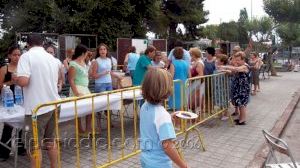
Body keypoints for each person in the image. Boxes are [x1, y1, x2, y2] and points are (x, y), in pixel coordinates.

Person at [16, 34, 62, 168]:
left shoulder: (26, 56)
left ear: (28, 44)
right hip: (53, 104)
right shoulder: (52, 58)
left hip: (37, 108)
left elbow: (24, 81)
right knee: (50, 140)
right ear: (42, 43)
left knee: (33, 146)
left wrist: (16, 79)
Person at [140, 68, 188, 168]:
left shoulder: (145, 106)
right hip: (160, 163)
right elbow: (168, 147)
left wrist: (169, 117)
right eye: (170, 85)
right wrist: (184, 166)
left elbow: (152, 124)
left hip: (146, 159)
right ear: (164, 89)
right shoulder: (162, 115)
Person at [0, 45, 26, 161]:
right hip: (8, 101)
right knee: (8, 126)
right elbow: (0, 86)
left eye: (19, 54)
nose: (17, 57)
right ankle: (4, 152)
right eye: (14, 54)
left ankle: (20, 148)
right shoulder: (4, 69)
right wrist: (11, 81)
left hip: (21, 99)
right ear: (9, 56)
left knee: (21, 125)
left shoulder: (23, 68)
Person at [220, 51, 250, 125]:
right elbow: (233, 72)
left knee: (242, 104)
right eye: (236, 60)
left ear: (243, 60)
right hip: (238, 88)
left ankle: (242, 120)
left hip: (243, 88)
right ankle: (240, 117)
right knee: (239, 104)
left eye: (238, 60)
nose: (237, 61)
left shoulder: (245, 66)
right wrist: (225, 70)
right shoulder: (239, 66)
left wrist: (225, 66)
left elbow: (236, 69)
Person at [68, 44, 92, 136]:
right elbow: (71, 80)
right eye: (86, 53)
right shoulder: (73, 64)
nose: (87, 55)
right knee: (77, 111)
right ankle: (80, 130)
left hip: (85, 89)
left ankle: (87, 129)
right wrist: (76, 92)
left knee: (90, 109)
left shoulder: (84, 62)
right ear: (82, 53)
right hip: (77, 89)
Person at [188, 47, 205, 111]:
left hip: (197, 84)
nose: (189, 57)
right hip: (194, 83)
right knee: (192, 103)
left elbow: (201, 75)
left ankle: (196, 119)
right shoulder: (195, 62)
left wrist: (191, 79)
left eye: (190, 55)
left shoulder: (199, 63)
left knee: (194, 103)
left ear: (193, 55)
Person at [203, 47, 216, 113]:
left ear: (210, 53)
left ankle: (211, 108)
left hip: (212, 80)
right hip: (205, 80)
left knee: (211, 94)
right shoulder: (204, 60)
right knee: (206, 94)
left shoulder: (215, 61)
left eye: (206, 52)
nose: (205, 53)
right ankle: (206, 107)